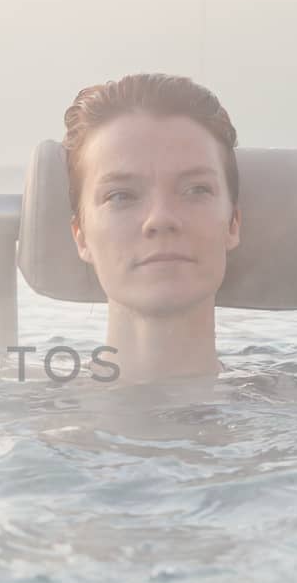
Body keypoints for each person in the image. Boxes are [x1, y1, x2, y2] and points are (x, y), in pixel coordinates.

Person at [65, 73, 241, 383]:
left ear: (233, 224)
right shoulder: (6, 411)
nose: (160, 218)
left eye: (196, 190)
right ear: (81, 236)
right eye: (121, 196)